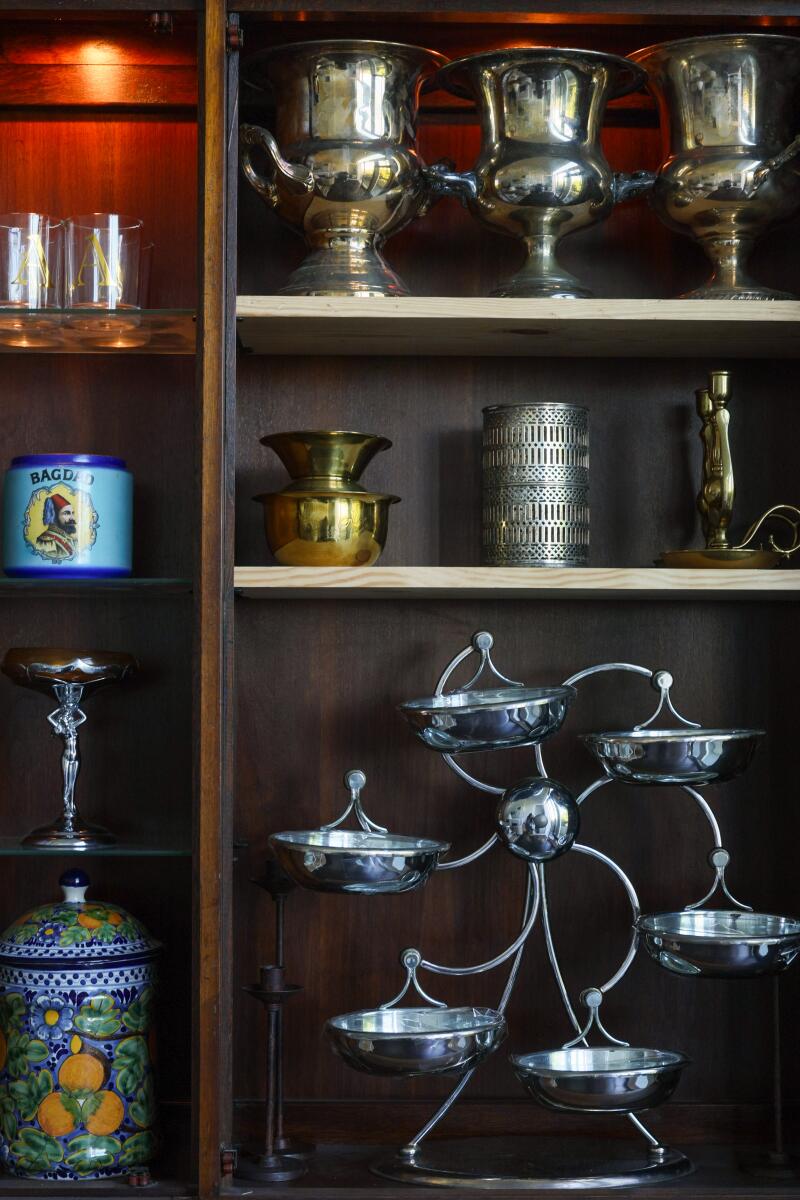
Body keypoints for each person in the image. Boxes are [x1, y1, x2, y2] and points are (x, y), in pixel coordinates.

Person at [36, 493, 77, 561]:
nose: (72, 518)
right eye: (66, 513)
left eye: (73, 513)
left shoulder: (70, 538)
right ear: (54, 516)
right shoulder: (46, 541)